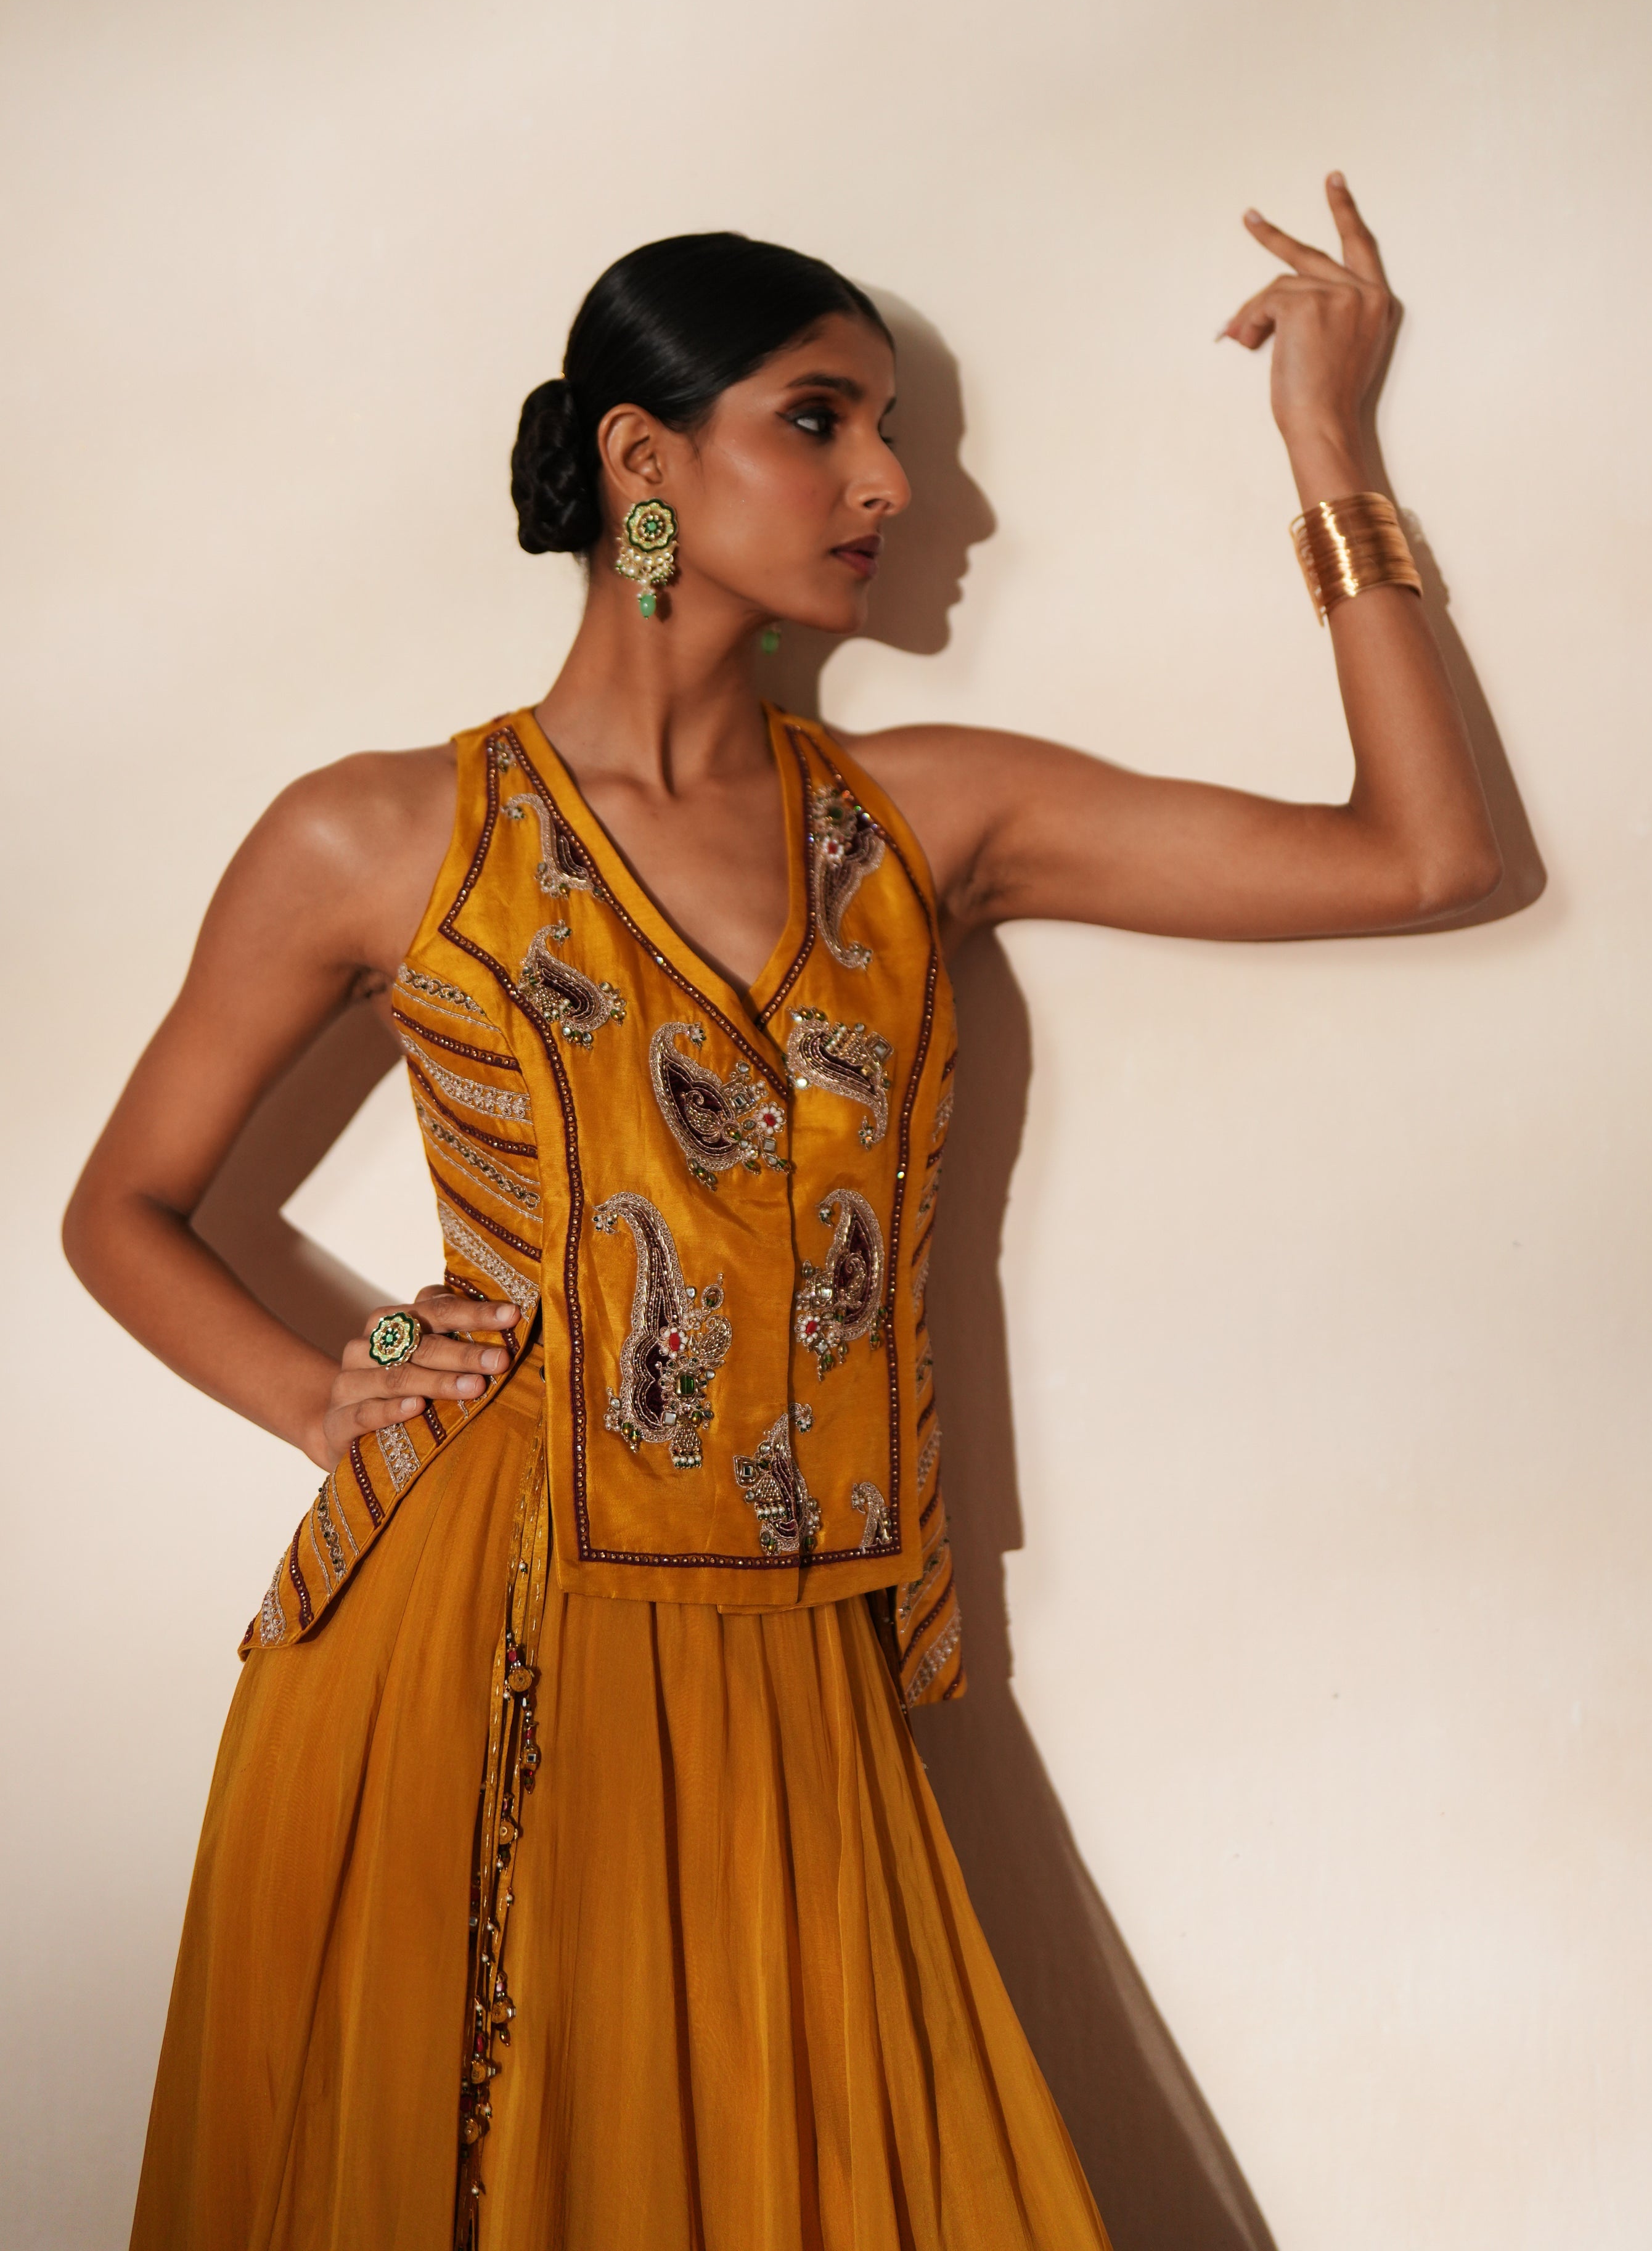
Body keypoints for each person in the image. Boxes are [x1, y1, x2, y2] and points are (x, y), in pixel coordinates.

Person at [65, 184, 1501, 2251]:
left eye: (891, 427)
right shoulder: (381, 831)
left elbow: (1425, 859)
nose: (901, 487)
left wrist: (1332, 451)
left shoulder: (927, 816)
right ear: (644, 464)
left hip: (809, 1637)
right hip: (480, 1625)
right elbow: (126, 1206)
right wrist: (333, 1386)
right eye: (821, 420)